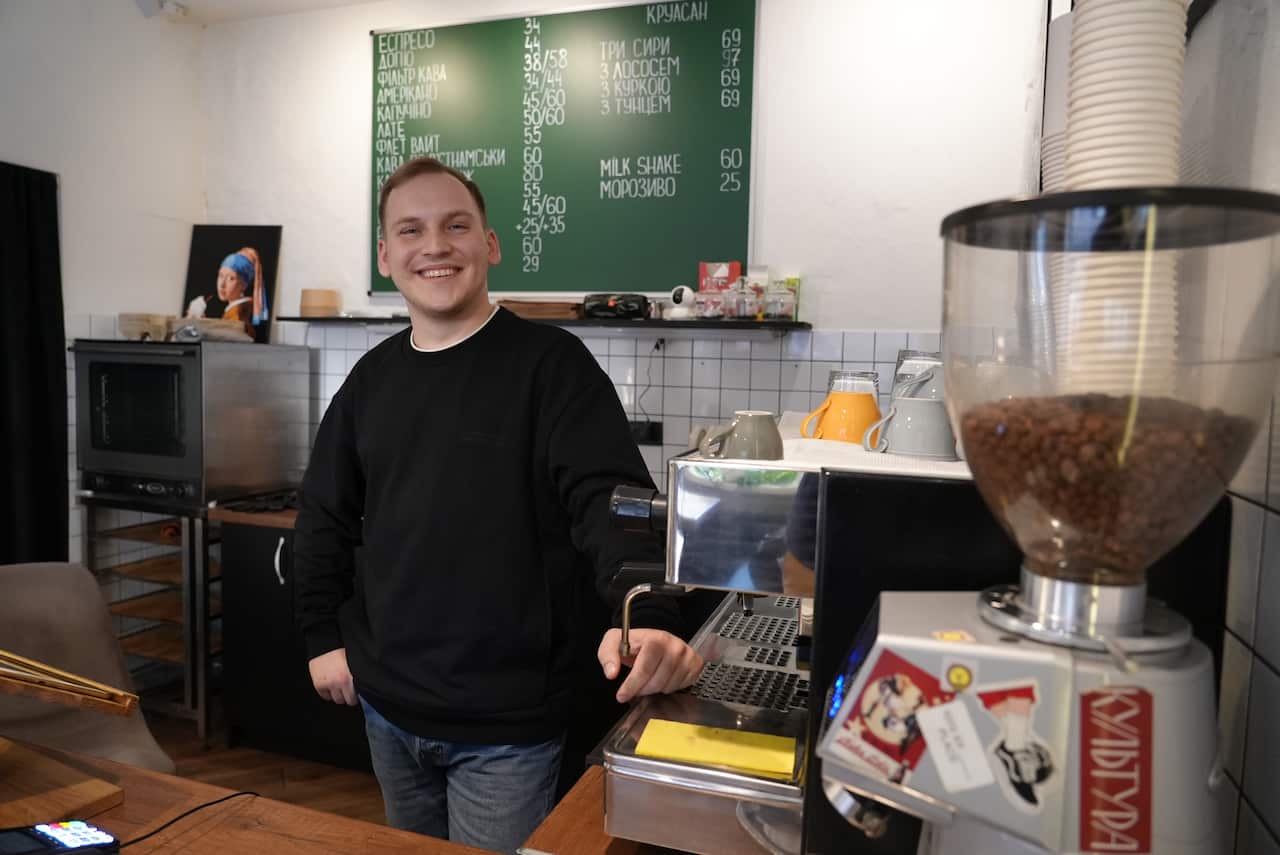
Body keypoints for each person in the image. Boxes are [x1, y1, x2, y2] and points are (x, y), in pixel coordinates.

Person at [292, 156, 704, 854]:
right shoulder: (370, 380)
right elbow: (323, 516)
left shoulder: (552, 366)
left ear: (489, 244)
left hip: (509, 730)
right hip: (389, 708)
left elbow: (615, 504)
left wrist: (647, 615)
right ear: (386, 256)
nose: (435, 245)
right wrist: (320, 638)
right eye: (411, 229)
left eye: (456, 226)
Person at [185, 246, 269, 339]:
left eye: (231, 278)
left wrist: (198, 323)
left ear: (244, 285)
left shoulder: (241, 312)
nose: (222, 285)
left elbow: (226, 339)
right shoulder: (236, 308)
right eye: (221, 276)